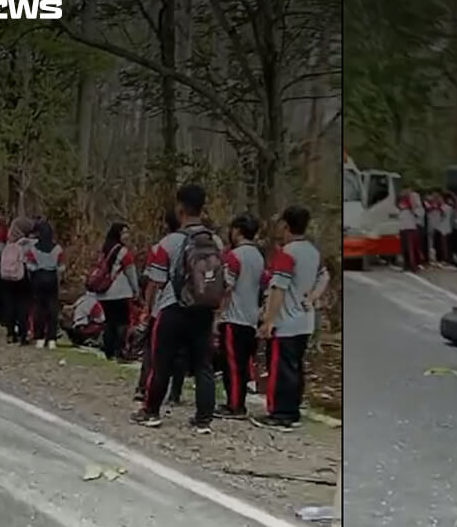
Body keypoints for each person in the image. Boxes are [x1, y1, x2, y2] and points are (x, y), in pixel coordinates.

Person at [133, 185, 225, 432]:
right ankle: (204, 418)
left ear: (180, 208)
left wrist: (147, 309)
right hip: (204, 310)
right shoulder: (215, 241)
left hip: (172, 309)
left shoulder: (168, 242)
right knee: (203, 364)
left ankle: (151, 411)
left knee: (161, 362)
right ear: (203, 208)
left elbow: (156, 281)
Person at [254, 205, 320, 430]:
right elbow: (324, 277)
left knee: (280, 369)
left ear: (285, 225)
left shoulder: (287, 253)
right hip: (305, 320)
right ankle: (292, 410)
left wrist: (269, 321)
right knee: (295, 367)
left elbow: (278, 289)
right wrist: (312, 297)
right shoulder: (312, 251)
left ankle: (280, 413)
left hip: (286, 322)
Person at [217, 213, 265, 418]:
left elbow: (226, 286)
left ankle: (235, 405)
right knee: (243, 363)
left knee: (232, 365)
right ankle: (236, 401)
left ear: (237, 230)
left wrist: (218, 312)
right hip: (251, 316)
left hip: (234, 317)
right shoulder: (259, 256)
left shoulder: (235, 256)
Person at [135, 209, 182, 402]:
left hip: (163, 306)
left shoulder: (160, 247)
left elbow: (153, 281)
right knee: (180, 352)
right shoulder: (201, 243)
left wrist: (147, 307)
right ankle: (175, 393)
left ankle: (145, 388)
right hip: (191, 305)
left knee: (153, 351)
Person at [95, 222, 140, 361]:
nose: (127, 236)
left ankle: (108, 351)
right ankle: (119, 351)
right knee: (122, 322)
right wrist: (136, 290)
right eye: (124, 233)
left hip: (103, 292)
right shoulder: (124, 252)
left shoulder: (104, 250)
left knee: (109, 322)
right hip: (120, 292)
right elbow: (130, 272)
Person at [25, 220, 64, 349]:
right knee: (53, 309)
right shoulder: (58, 249)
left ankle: (39, 338)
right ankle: (52, 338)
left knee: (39, 309)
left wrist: (37, 269)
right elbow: (61, 267)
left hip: (38, 278)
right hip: (52, 278)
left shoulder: (33, 249)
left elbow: (29, 265)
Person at [0, 216, 35, 345]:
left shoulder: (9, 242)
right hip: (22, 276)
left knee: (9, 303)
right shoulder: (29, 243)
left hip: (7, 276)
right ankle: (23, 333)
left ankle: (10, 333)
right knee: (23, 305)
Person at [397, 191, 419, 272]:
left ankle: (413, 266)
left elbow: (413, 209)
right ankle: (406, 265)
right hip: (402, 228)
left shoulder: (412, 205)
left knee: (410, 249)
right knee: (404, 249)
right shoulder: (401, 204)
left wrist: (410, 197)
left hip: (410, 228)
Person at [430, 191, 451, 266]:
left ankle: (446, 259)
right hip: (438, 228)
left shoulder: (447, 207)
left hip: (445, 229)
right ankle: (439, 258)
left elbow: (443, 215)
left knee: (444, 245)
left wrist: (437, 208)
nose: (438, 199)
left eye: (440, 198)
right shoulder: (436, 207)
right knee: (437, 244)